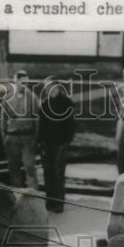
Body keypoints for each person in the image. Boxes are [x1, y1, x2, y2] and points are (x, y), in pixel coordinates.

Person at [38, 78, 76, 213]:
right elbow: (41, 125)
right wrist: (40, 142)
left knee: (58, 173)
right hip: (47, 144)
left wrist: (67, 142)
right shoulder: (44, 105)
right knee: (48, 173)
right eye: (47, 88)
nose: (50, 90)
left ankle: (59, 202)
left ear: (58, 88)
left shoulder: (67, 103)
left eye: (52, 87)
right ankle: (50, 201)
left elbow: (71, 125)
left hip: (60, 144)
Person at [0, 69, 39, 189]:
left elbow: (37, 120)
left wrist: (35, 139)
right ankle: (17, 194)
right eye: (21, 82)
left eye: (25, 82)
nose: (23, 84)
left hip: (27, 137)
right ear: (15, 82)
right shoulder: (7, 98)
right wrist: (5, 137)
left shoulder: (32, 98)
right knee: (13, 167)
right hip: (12, 137)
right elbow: (3, 120)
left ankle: (33, 194)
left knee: (29, 167)